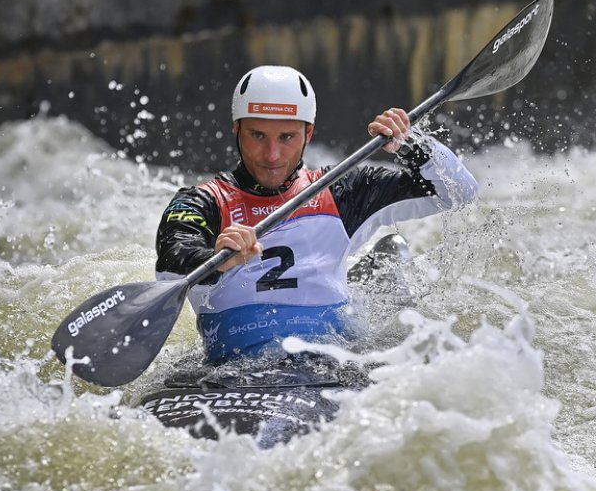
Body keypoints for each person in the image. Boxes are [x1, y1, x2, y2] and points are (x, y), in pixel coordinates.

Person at [155, 65, 478, 365]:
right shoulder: (201, 202)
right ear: (237, 130)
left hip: (335, 361)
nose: (272, 155)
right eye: (257, 136)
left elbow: (458, 192)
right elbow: (172, 265)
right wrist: (217, 257)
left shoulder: (343, 189)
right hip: (235, 368)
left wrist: (411, 144)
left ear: (308, 134)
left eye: (287, 137)